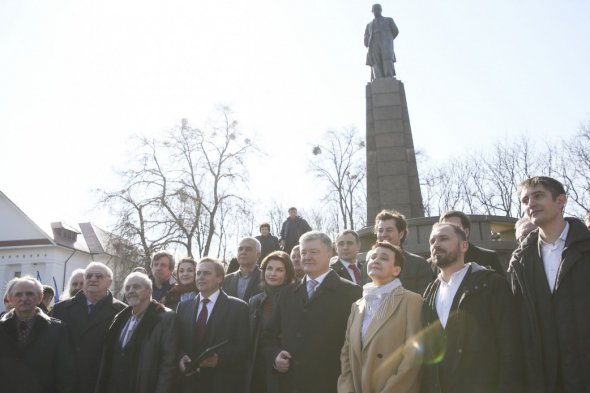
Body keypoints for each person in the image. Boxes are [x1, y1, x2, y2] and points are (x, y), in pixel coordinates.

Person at [509, 176, 590, 393]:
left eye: (538, 196)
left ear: (560, 201)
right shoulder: (520, 261)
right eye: (525, 200)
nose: (530, 204)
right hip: (543, 379)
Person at [421, 223, 522, 393]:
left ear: (464, 245)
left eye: (443, 239)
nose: (436, 244)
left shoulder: (491, 284)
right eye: (432, 241)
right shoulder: (429, 293)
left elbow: (510, 346)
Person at [263, 231, 362, 393]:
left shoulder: (351, 292)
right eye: (303, 252)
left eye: (314, 252)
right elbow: (268, 336)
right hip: (290, 384)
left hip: (331, 384)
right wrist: (275, 356)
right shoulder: (286, 294)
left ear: (330, 253)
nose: (307, 257)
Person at [338, 241, 422, 393]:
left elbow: (413, 356)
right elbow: (347, 354)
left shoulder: (412, 300)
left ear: (396, 270)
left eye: (383, 258)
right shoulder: (357, 305)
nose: (375, 260)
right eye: (372, 257)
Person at [95, 272, 179, 393]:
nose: (131, 291)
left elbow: (168, 365)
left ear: (150, 291)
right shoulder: (120, 318)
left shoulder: (165, 318)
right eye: (127, 288)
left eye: (136, 287)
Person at [51, 262, 126, 393]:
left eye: (98, 276)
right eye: (89, 276)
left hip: (102, 382)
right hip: (66, 382)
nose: (93, 279)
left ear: (109, 282)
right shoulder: (61, 309)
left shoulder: (122, 311)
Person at [177, 258, 250, 393]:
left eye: (206, 273)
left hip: (221, 383)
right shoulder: (183, 307)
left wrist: (219, 359)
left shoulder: (239, 307)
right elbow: (177, 341)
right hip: (188, 384)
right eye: (198, 273)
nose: (200, 277)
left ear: (219, 278)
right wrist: (181, 356)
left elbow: (244, 346)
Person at [0, 276, 75, 393]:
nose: (24, 298)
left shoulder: (57, 330)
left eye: (29, 294)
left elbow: (65, 373)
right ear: (10, 298)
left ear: (40, 297)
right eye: (18, 294)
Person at [247, 251, 295, 393]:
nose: (272, 273)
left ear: (287, 275)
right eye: (269, 268)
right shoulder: (254, 300)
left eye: (279, 270)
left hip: (281, 365)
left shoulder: (294, 298)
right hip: (256, 367)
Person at [374, 210, 434, 295]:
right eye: (380, 230)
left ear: (401, 234)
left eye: (389, 230)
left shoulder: (419, 264)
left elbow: (423, 301)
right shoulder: (368, 266)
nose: (383, 234)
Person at [439, 210, 505, 275]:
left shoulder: (488, 258)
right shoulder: (433, 263)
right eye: (444, 228)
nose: (447, 232)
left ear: (466, 232)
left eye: (454, 228)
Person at [222, 237, 263, 302]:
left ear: (258, 255)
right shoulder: (226, 280)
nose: (243, 252)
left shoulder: (266, 278)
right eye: (240, 249)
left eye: (248, 249)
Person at [364, 4, 399, 79]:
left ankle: (389, 76)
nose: (376, 11)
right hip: (374, 44)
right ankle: (379, 78)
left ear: (380, 10)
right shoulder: (369, 25)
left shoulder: (389, 20)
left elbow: (395, 31)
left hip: (385, 43)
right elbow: (366, 35)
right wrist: (366, 41)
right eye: (374, 10)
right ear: (372, 12)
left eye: (377, 9)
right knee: (376, 62)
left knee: (387, 59)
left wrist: (388, 40)